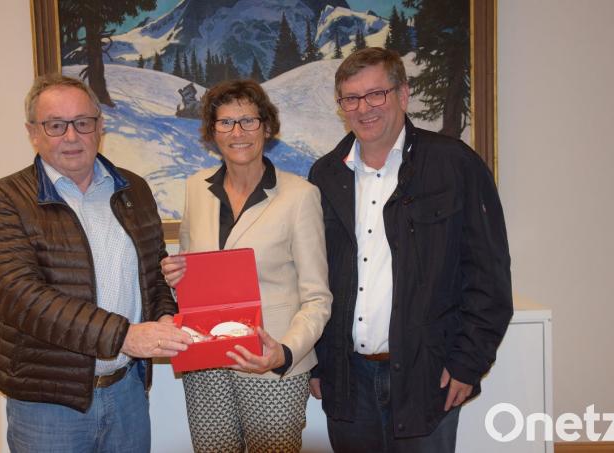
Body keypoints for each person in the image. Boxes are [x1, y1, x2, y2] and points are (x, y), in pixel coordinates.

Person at [307, 47, 513, 452]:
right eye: (351, 98)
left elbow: (489, 275)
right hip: (348, 383)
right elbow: (313, 276)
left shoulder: (455, 165)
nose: (363, 108)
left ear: (403, 95)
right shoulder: (325, 175)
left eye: (376, 94)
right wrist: (317, 361)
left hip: (427, 376)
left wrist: (468, 363)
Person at [0, 74, 192, 452]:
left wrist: (163, 316)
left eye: (83, 122)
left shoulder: (134, 189)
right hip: (48, 404)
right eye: (56, 125)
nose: (72, 136)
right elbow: (19, 296)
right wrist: (125, 335)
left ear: (100, 126)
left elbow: (153, 275)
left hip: (127, 394)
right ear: (33, 132)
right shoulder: (5, 198)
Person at [160, 79, 332, 453]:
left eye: (249, 121)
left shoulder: (300, 196)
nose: (237, 133)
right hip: (206, 366)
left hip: (270, 366)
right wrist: (176, 277)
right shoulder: (195, 187)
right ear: (212, 132)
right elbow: (192, 279)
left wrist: (285, 351)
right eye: (225, 123)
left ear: (267, 128)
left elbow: (317, 297)